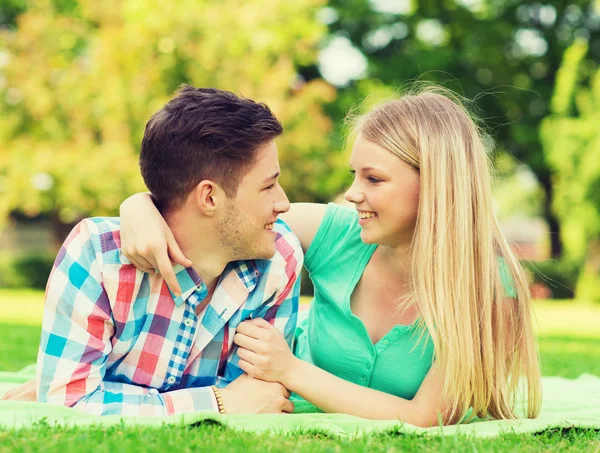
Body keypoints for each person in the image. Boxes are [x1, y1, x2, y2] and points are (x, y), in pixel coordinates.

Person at [118, 86, 542, 426]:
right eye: (354, 175)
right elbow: (228, 216)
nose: (354, 193)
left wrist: (289, 370)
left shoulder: (489, 288)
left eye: (374, 179)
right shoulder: (340, 233)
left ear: (437, 186)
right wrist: (139, 206)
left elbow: (424, 417)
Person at [1, 86, 304, 416]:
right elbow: (70, 403)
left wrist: (108, 396)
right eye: (268, 185)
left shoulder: (278, 261)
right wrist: (217, 403)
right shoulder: (98, 257)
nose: (283, 203)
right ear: (209, 198)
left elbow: (258, 398)